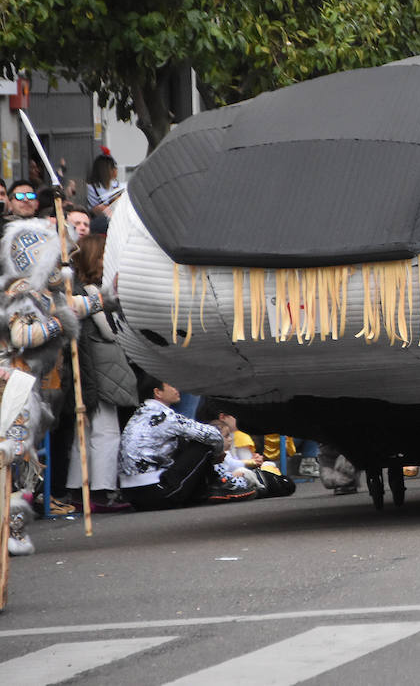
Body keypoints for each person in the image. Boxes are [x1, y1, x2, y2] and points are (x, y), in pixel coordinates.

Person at [1, 219, 107, 555]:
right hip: (12, 384)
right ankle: (11, 527)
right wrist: (62, 322)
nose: (64, 267)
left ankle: (13, 528)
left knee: (26, 462)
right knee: (14, 453)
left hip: (36, 389)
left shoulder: (48, 294)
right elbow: (23, 336)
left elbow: (77, 306)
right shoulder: (19, 292)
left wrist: (109, 296)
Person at [65, 233, 138, 513]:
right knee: (106, 431)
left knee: (84, 430)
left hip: (90, 366)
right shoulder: (92, 292)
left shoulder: (79, 289)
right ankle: (102, 491)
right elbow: (108, 331)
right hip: (102, 367)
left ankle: (77, 489)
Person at [118, 375, 255, 509]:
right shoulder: (164, 416)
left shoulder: (138, 415)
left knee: (188, 440)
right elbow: (212, 434)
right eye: (170, 384)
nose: (176, 388)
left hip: (132, 496)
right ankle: (220, 486)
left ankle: (210, 487)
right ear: (158, 392)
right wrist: (219, 452)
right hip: (157, 492)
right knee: (204, 443)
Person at [86, 153, 123, 222]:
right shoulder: (92, 188)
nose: (116, 169)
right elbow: (95, 209)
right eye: (113, 167)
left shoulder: (116, 185)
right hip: (100, 220)